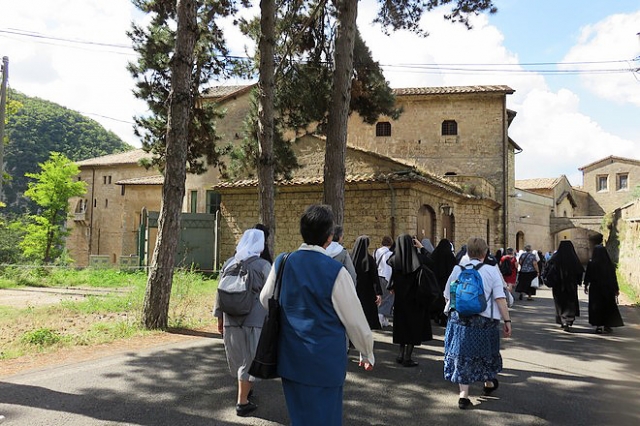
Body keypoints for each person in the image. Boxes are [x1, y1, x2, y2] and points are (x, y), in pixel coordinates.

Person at [259, 205, 374, 426]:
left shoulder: (282, 262)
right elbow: (354, 320)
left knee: (299, 417)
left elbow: (265, 299)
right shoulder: (336, 271)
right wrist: (366, 351)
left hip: (291, 357)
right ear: (329, 237)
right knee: (326, 418)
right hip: (325, 361)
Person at [443, 237, 512, 410]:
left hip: (460, 320)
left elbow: (448, 295)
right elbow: (500, 298)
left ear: (467, 252)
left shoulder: (458, 269)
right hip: (485, 320)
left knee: (462, 355)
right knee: (486, 352)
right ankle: (488, 382)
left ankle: (463, 395)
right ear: (485, 253)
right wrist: (507, 320)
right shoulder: (491, 270)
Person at [213, 229, 272, 417]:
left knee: (239, 360)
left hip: (230, 319)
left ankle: (246, 391)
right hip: (254, 320)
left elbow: (219, 293)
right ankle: (242, 402)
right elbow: (271, 294)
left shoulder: (229, 263)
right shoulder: (263, 265)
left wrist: (220, 317)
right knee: (250, 361)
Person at [387, 234, 432, 367]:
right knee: (413, 327)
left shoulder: (395, 260)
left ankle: (400, 354)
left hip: (400, 300)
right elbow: (431, 260)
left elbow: (392, 277)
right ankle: (408, 357)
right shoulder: (418, 259)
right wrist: (421, 247)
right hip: (415, 299)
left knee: (402, 326)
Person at [351, 235, 383, 363]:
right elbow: (375, 277)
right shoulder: (369, 259)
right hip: (367, 292)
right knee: (365, 317)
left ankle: (352, 340)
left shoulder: (351, 258)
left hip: (354, 291)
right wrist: (378, 293)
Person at [583, 245, 624, 334]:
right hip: (608, 289)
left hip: (595, 289)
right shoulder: (609, 264)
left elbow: (588, 276)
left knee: (596, 307)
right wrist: (616, 289)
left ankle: (598, 326)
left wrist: (586, 285)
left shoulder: (591, 263)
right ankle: (607, 325)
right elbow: (613, 278)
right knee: (607, 306)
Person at [546, 240, 584, 331]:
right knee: (570, 303)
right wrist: (578, 281)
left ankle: (561, 319)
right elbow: (580, 271)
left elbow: (548, 269)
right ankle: (568, 320)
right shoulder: (573, 258)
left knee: (560, 303)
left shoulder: (555, 258)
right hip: (571, 285)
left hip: (558, 285)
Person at [430, 238, 458, 326]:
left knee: (437, 299)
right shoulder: (451, 257)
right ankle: (444, 318)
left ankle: (436, 315)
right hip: (447, 282)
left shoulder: (434, 255)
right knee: (445, 300)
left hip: (436, 282)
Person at [374, 235, 394, 327]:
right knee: (388, 298)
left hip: (378, 276)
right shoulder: (390, 254)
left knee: (380, 297)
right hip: (386, 277)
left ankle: (384, 319)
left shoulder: (376, 252)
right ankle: (381, 316)